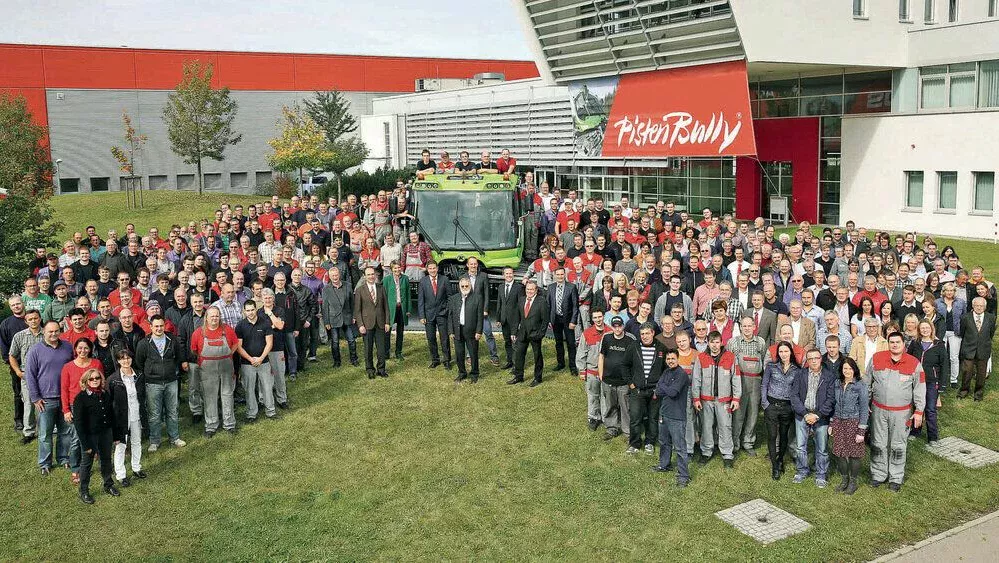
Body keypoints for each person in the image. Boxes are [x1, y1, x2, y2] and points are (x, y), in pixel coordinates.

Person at [867, 332, 925, 492]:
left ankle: (896, 478)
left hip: (902, 413)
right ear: (888, 343)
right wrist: (865, 402)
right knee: (878, 443)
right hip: (879, 410)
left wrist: (919, 411)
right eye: (891, 342)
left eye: (897, 342)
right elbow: (867, 381)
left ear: (903, 344)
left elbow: (920, 389)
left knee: (898, 445)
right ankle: (878, 475)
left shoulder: (914, 363)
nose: (894, 345)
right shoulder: (877, 358)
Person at [25, 321, 74, 476]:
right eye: (50, 332)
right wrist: (35, 397)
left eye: (56, 331)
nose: (53, 334)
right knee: (45, 434)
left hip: (65, 397)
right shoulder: (35, 350)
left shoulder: (67, 347)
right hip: (45, 400)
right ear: (44, 332)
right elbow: (30, 375)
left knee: (65, 431)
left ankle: (63, 458)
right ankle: (45, 462)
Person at [135, 316, 184, 452]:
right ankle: (155, 441)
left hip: (171, 381)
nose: (159, 328)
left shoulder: (172, 340)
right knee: (155, 414)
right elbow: (139, 362)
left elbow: (179, 356)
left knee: (172, 411)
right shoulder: (144, 343)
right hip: (152, 383)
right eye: (156, 326)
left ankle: (174, 437)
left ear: (164, 326)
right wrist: (151, 372)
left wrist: (171, 370)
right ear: (150, 327)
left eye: (161, 326)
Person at [692, 331, 741, 468]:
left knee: (725, 426)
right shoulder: (701, 357)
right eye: (712, 342)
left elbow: (736, 378)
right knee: (706, 426)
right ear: (708, 342)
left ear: (721, 342)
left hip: (724, 400)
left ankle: (727, 454)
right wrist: (696, 398)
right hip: (706, 399)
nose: (714, 345)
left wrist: (736, 398)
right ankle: (706, 452)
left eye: (717, 342)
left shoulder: (730, 357)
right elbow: (696, 379)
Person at [190, 307, 239, 437]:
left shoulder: (227, 330)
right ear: (206, 317)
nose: (214, 318)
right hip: (207, 369)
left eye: (217, 316)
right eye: (212, 316)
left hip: (226, 367)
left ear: (220, 317)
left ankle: (229, 424)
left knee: (227, 395)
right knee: (209, 396)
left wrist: (228, 355)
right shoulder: (198, 333)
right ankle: (211, 426)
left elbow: (235, 344)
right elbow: (194, 350)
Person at [790, 349, 836, 487]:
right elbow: (794, 396)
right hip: (802, 415)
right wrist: (805, 414)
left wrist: (817, 415)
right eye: (810, 359)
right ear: (807, 361)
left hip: (820, 417)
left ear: (820, 359)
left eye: (816, 358)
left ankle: (821, 474)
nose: (814, 361)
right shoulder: (800, 374)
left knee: (822, 448)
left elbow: (831, 399)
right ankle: (802, 470)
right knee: (800, 446)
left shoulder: (829, 376)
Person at [72, 368, 118, 504]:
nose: (94, 381)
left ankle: (108, 484)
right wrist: (85, 444)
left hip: (105, 433)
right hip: (90, 436)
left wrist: (114, 434)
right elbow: (79, 424)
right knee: (87, 463)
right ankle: (84, 491)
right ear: (86, 381)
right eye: (91, 379)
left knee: (106, 460)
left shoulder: (104, 394)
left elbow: (111, 415)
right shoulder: (80, 398)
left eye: (97, 378)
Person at [107, 349, 147, 488]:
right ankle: (121, 475)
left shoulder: (139, 375)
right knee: (121, 445)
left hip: (136, 413)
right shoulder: (113, 379)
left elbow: (142, 396)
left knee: (136, 442)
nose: (126, 361)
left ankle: (136, 468)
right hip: (121, 417)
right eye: (122, 358)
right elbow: (109, 401)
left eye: (128, 358)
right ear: (118, 361)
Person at [728, 316, 767, 456]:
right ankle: (735, 443)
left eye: (749, 326)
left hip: (756, 381)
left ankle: (748, 442)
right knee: (738, 414)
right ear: (740, 327)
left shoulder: (760, 342)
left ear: (754, 326)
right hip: (739, 380)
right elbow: (728, 363)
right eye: (744, 326)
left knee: (753, 414)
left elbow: (763, 360)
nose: (747, 329)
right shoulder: (733, 342)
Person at [652, 348, 691, 487]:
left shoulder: (682, 374)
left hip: (677, 416)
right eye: (668, 359)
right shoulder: (666, 372)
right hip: (664, 413)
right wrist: (662, 387)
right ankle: (664, 465)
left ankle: (683, 476)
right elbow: (657, 390)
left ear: (678, 358)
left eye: (673, 358)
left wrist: (662, 386)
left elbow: (673, 392)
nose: (670, 361)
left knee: (680, 447)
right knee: (664, 442)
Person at [829, 357, 869, 495]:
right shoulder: (837, 383)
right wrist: (831, 423)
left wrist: (861, 431)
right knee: (839, 452)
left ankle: (853, 482)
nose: (847, 371)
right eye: (845, 368)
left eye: (850, 368)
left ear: (854, 370)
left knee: (854, 454)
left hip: (853, 422)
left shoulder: (860, 385)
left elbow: (864, 409)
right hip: (839, 422)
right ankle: (844, 479)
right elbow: (833, 404)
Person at [762, 341, 800, 480]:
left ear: (790, 352)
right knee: (772, 436)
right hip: (771, 405)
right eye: (781, 351)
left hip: (787, 407)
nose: (783, 354)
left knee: (784, 435)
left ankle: (780, 459)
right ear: (778, 353)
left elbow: (797, 390)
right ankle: (774, 466)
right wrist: (765, 403)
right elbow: (764, 384)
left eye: (786, 351)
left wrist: (793, 407)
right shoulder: (771, 366)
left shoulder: (796, 370)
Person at [627, 323, 665, 455]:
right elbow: (624, 365)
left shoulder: (661, 348)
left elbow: (665, 370)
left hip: (654, 390)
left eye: (647, 333)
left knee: (652, 418)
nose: (645, 336)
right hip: (637, 390)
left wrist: (660, 387)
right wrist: (631, 383)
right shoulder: (633, 346)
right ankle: (634, 444)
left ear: (653, 333)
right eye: (642, 334)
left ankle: (650, 442)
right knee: (635, 417)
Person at [907, 319, 947, 444]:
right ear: (919, 330)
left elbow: (944, 365)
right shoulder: (915, 343)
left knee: (930, 409)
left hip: (931, 381)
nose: (925, 330)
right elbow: (908, 360)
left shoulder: (939, 344)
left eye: (927, 328)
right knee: (917, 406)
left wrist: (942, 384)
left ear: (931, 329)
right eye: (922, 328)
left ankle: (933, 437)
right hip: (917, 380)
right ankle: (915, 431)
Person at [597, 316, 637, 440]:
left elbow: (635, 361)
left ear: (623, 326)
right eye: (615, 326)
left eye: (620, 326)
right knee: (610, 405)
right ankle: (611, 429)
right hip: (608, 379)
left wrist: (631, 380)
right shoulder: (607, 337)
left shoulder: (630, 339)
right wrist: (601, 375)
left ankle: (627, 431)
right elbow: (601, 356)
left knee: (626, 407)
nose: (618, 328)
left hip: (624, 381)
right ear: (611, 326)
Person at [235, 300, 275, 421]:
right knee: (249, 389)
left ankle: (271, 411)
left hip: (264, 362)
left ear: (256, 309)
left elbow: (269, 343)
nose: (250, 312)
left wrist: (261, 358)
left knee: (267, 387)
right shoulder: (240, 326)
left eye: (252, 310)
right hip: (247, 363)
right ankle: (252, 413)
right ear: (244, 311)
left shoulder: (265, 323)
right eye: (248, 310)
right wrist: (250, 359)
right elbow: (238, 346)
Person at [508, 280, 549, 387]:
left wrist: (541, 334)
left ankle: (537, 378)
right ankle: (518, 376)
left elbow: (545, 320)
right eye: (527, 289)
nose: (529, 291)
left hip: (535, 334)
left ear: (536, 290)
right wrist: (513, 332)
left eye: (531, 289)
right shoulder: (521, 300)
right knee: (519, 354)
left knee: (537, 356)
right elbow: (517, 317)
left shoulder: (542, 301)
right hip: (522, 333)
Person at [576, 309, 610, 431]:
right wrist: (582, 371)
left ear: (603, 317)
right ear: (592, 319)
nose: (598, 320)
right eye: (595, 317)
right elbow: (581, 354)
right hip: (592, 371)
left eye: (600, 317)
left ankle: (606, 418)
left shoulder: (610, 332)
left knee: (606, 397)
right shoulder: (587, 333)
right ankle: (593, 418)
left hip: (607, 372)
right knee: (593, 396)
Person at [354, 267, 390, 379]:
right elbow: (357, 310)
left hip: (380, 323)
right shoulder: (360, 290)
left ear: (376, 275)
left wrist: (387, 322)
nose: (371, 276)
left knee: (381, 349)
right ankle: (370, 370)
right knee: (368, 349)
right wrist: (360, 325)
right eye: (368, 274)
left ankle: (381, 369)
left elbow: (386, 307)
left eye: (372, 274)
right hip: (367, 324)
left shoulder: (381, 288)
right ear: (364, 276)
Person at [957, 296, 996, 401]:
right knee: (966, 372)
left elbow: (991, 333)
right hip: (968, 348)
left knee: (981, 374)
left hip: (983, 349)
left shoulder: (991, 318)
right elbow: (962, 332)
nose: (979, 308)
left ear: (985, 307)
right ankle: (963, 391)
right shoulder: (965, 317)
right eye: (977, 305)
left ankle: (978, 394)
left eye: (981, 306)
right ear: (973, 306)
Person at [448, 277, 483, 383]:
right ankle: (462, 373)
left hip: (472, 331)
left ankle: (474, 374)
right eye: (462, 286)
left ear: (470, 286)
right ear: (459, 287)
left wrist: (479, 331)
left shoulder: (477, 298)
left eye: (466, 286)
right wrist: (451, 331)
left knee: (473, 353)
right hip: (457, 331)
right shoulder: (454, 298)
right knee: (459, 354)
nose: (464, 288)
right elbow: (450, 316)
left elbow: (480, 316)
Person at [417, 261, 451, 370]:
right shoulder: (423, 281)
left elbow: (450, 297)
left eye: (434, 268)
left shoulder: (444, 279)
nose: (432, 270)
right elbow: (421, 300)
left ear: (437, 268)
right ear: (427, 270)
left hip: (442, 314)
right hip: (428, 315)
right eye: (430, 268)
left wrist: (446, 310)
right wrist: (422, 316)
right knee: (431, 338)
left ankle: (446, 360)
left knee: (444, 338)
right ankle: (435, 360)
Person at [320, 268, 358, 368]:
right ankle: (337, 361)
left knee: (351, 340)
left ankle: (354, 359)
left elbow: (352, 303)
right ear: (330, 276)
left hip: (347, 317)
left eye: (336, 275)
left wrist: (353, 316)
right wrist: (326, 322)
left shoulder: (348, 286)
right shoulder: (326, 289)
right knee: (335, 342)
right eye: (332, 276)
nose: (335, 277)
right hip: (333, 319)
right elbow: (325, 307)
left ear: (339, 275)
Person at [548, 267, 580, 377]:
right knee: (558, 342)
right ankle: (560, 363)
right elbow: (548, 305)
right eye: (558, 274)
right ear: (555, 275)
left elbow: (576, 306)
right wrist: (549, 320)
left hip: (568, 320)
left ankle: (572, 366)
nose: (560, 276)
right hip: (555, 319)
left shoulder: (571, 287)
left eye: (562, 274)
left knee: (571, 344)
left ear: (564, 275)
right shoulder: (551, 287)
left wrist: (573, 321)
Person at [495, 267, 523, 370]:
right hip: (504, 320)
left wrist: (520, 321)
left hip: (515, 320)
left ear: (513, 274)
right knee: (507, 342)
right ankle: (509, 361)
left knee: (515, 343)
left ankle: (517, 365)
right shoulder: (501, 287)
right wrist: (498, 318)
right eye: (506, 274)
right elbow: (499, 303)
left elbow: (521, 305)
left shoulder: (518, 288)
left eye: (510, 273)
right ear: (503, 275)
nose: (509, 275)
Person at [382, 261, 411, 362]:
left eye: (399, 267)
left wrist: (408, 309)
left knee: (400, 331)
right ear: (391, 269)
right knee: (387, 331)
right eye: (395, 268)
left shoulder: (405, 278)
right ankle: (386, 353)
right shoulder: (386, 279)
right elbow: (383, 296)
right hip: (390, 309)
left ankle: (398, 352)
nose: (397, 270)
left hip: (401, 308)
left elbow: (408, 294)